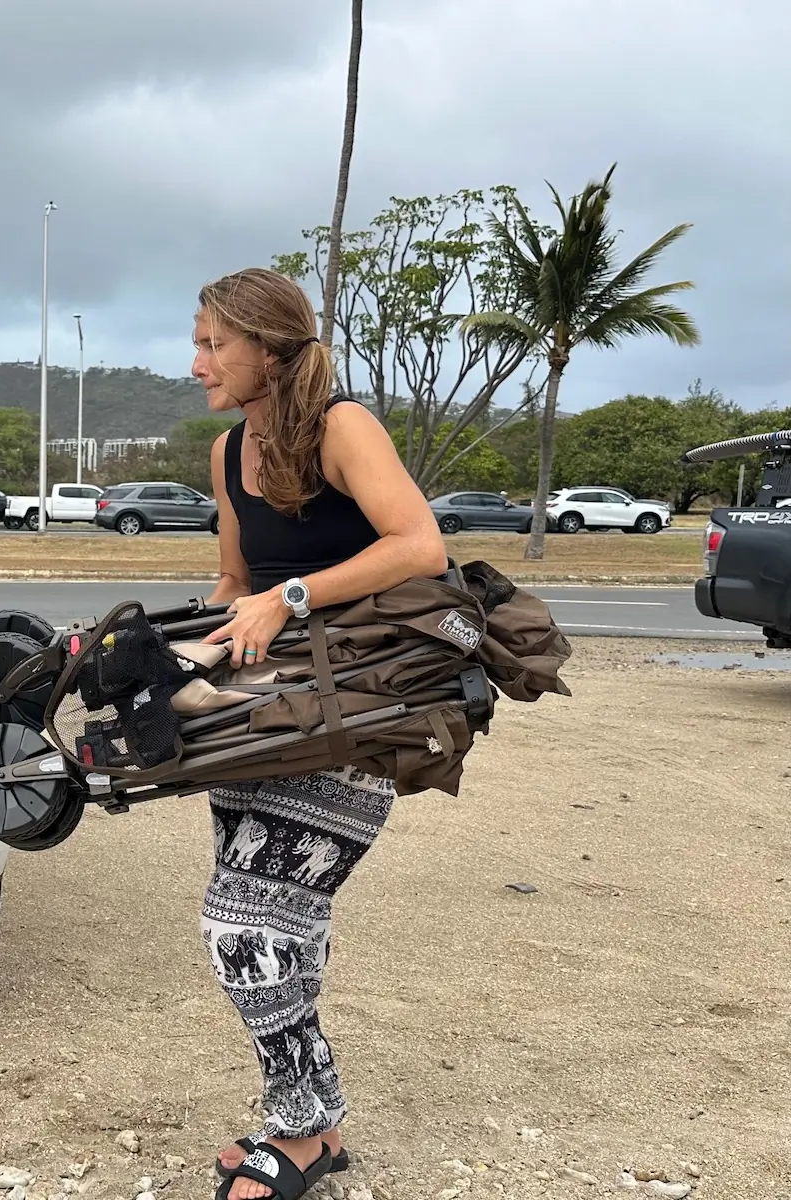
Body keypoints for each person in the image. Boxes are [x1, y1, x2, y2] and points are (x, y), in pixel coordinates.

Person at [189, 268, 447, 1200]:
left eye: (215, 343)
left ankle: (304, 1127)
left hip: (354, 713)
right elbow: (231, 581)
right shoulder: (229, 452)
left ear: (266, 345)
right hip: (256, 724)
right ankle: (305, 1120)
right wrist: (184, 648)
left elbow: (420, 545)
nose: (199, 362)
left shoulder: (342, 426)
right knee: (286, 930)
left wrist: (288, 597)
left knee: (238, 927)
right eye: (200, 342)